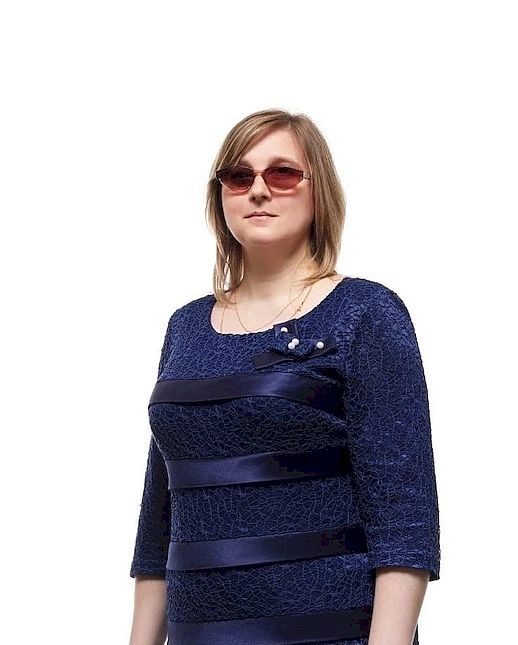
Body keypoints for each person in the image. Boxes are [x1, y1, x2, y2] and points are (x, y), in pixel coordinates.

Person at [128, 108, 441, 645]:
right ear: (220, 195)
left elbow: (405, 524)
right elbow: (159, 521)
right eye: (238, 176)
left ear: (319, 191)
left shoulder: (364, 313)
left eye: (282, 173)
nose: (258, 190)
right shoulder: (186, 327)